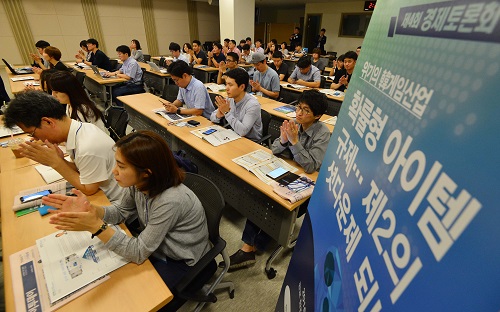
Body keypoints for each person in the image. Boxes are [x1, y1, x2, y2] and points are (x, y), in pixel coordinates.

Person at [44, 130, 214, 311]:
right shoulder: (139, 185)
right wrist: (92, 210)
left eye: (121, 166)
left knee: (140, 302)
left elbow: (138, 252)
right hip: (158, 248)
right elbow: (120, 211)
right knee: (115, 287)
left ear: (146, 173)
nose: (114, 171)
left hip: (182, 260)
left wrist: (97, 226)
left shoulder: (170, 200)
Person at [221, 89, 330, 270]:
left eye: (306, 111)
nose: (299, 113)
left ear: (317, 115)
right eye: (299, 108)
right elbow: (276, 149)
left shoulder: (322, 133)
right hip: (288, 170)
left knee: (275, 204)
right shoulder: (294, 122)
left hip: (309, 184)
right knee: (261, 193)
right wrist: (285, 139)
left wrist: (294, 142)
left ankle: (251, 247)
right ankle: (250, 246)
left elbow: (310, 166)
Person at [4, 91, 122, 202]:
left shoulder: (88, 146)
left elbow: (89, 189)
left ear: (48, 122)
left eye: (32, 133)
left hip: (113, 202)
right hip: (101, 193)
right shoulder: (78, 130)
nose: (35, 139)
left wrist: (55, 163)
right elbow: (82, 169)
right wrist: (60, 160)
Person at [210, 68, 262, 141]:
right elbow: (212, 117)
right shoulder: (230, 99)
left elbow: (243, 131)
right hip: (233, 136)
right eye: (226, 84)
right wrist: (218, 115)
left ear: (242, 87)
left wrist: (226, 113)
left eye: (230, 85)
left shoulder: (252, 105)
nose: (226, 88)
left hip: (250, 142)